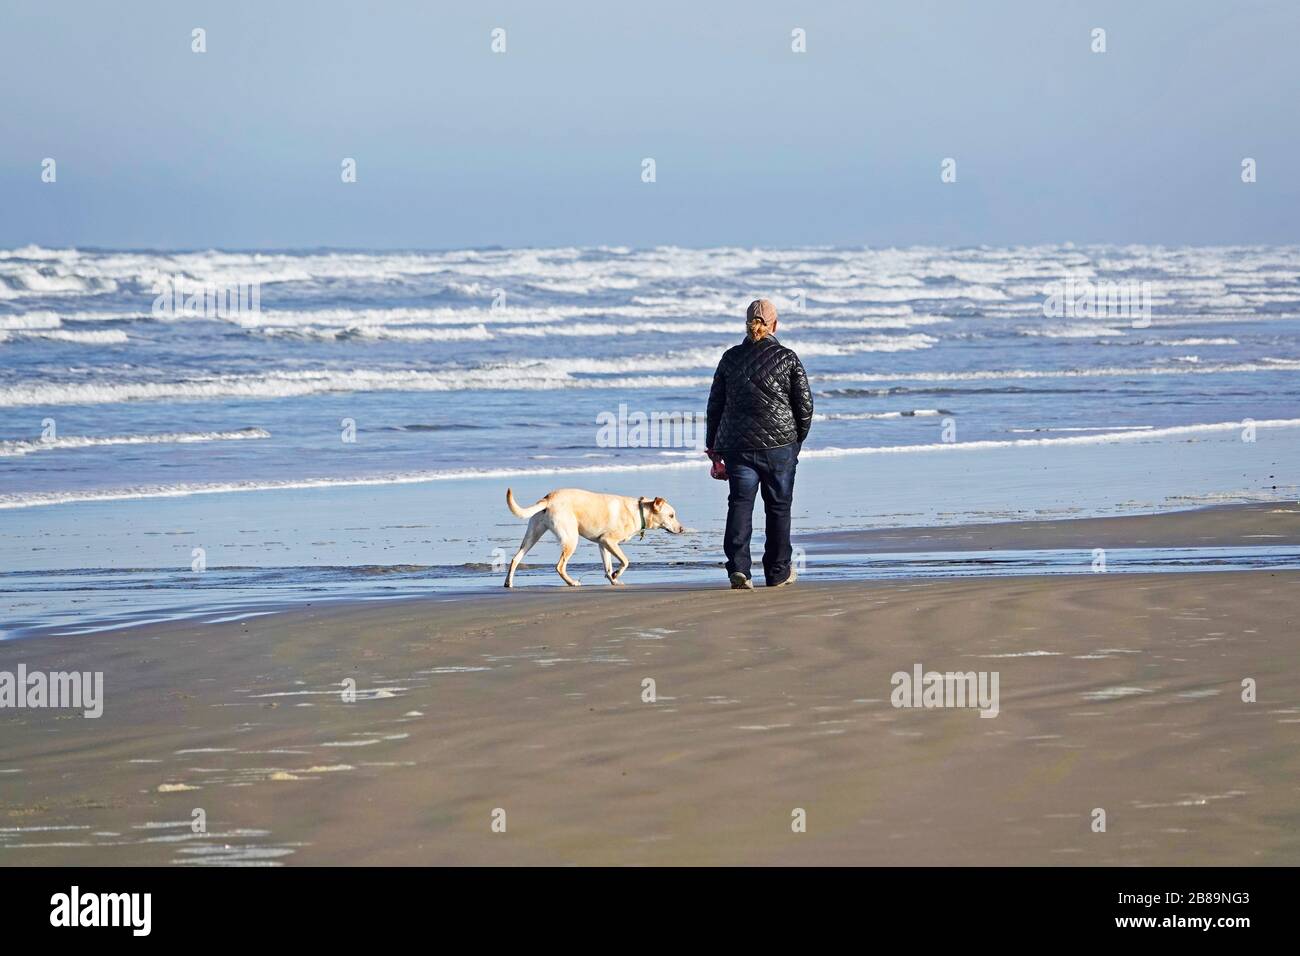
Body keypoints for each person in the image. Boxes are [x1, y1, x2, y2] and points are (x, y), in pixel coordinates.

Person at [705, 299, 813, 589]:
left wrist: (712, 447)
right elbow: (804, 406)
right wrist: (796, 440)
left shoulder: (730, 358)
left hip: (738, 447)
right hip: (780, 447)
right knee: (778, 507)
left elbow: (714, 405)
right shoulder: (788, 358)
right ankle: (777, 572)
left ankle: (739, 569)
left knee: (740, 504)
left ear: (747, 323)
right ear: (774, 325)